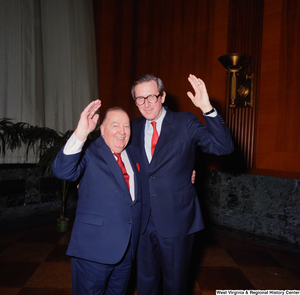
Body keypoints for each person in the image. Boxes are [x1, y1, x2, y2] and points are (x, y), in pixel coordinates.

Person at [130, 74, 234, 295]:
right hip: (142, 221)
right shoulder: (132, 127)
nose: (146, 104)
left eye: (151, 96)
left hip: (177, 219)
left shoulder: (185, 122)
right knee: (145, 282)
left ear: (163, 96)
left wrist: (207, 108)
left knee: (175, 285)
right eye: (140, 99)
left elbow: (223, 147)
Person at [52, 100, 142, 295]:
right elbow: (62, 170)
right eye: (115, 125)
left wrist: (187, 173)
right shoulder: (89, 151)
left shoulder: (134, 153)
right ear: (101, 130)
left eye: (126, 126)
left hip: (127, 251)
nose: (122, 131)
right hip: (93, 250)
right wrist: (81, 132)